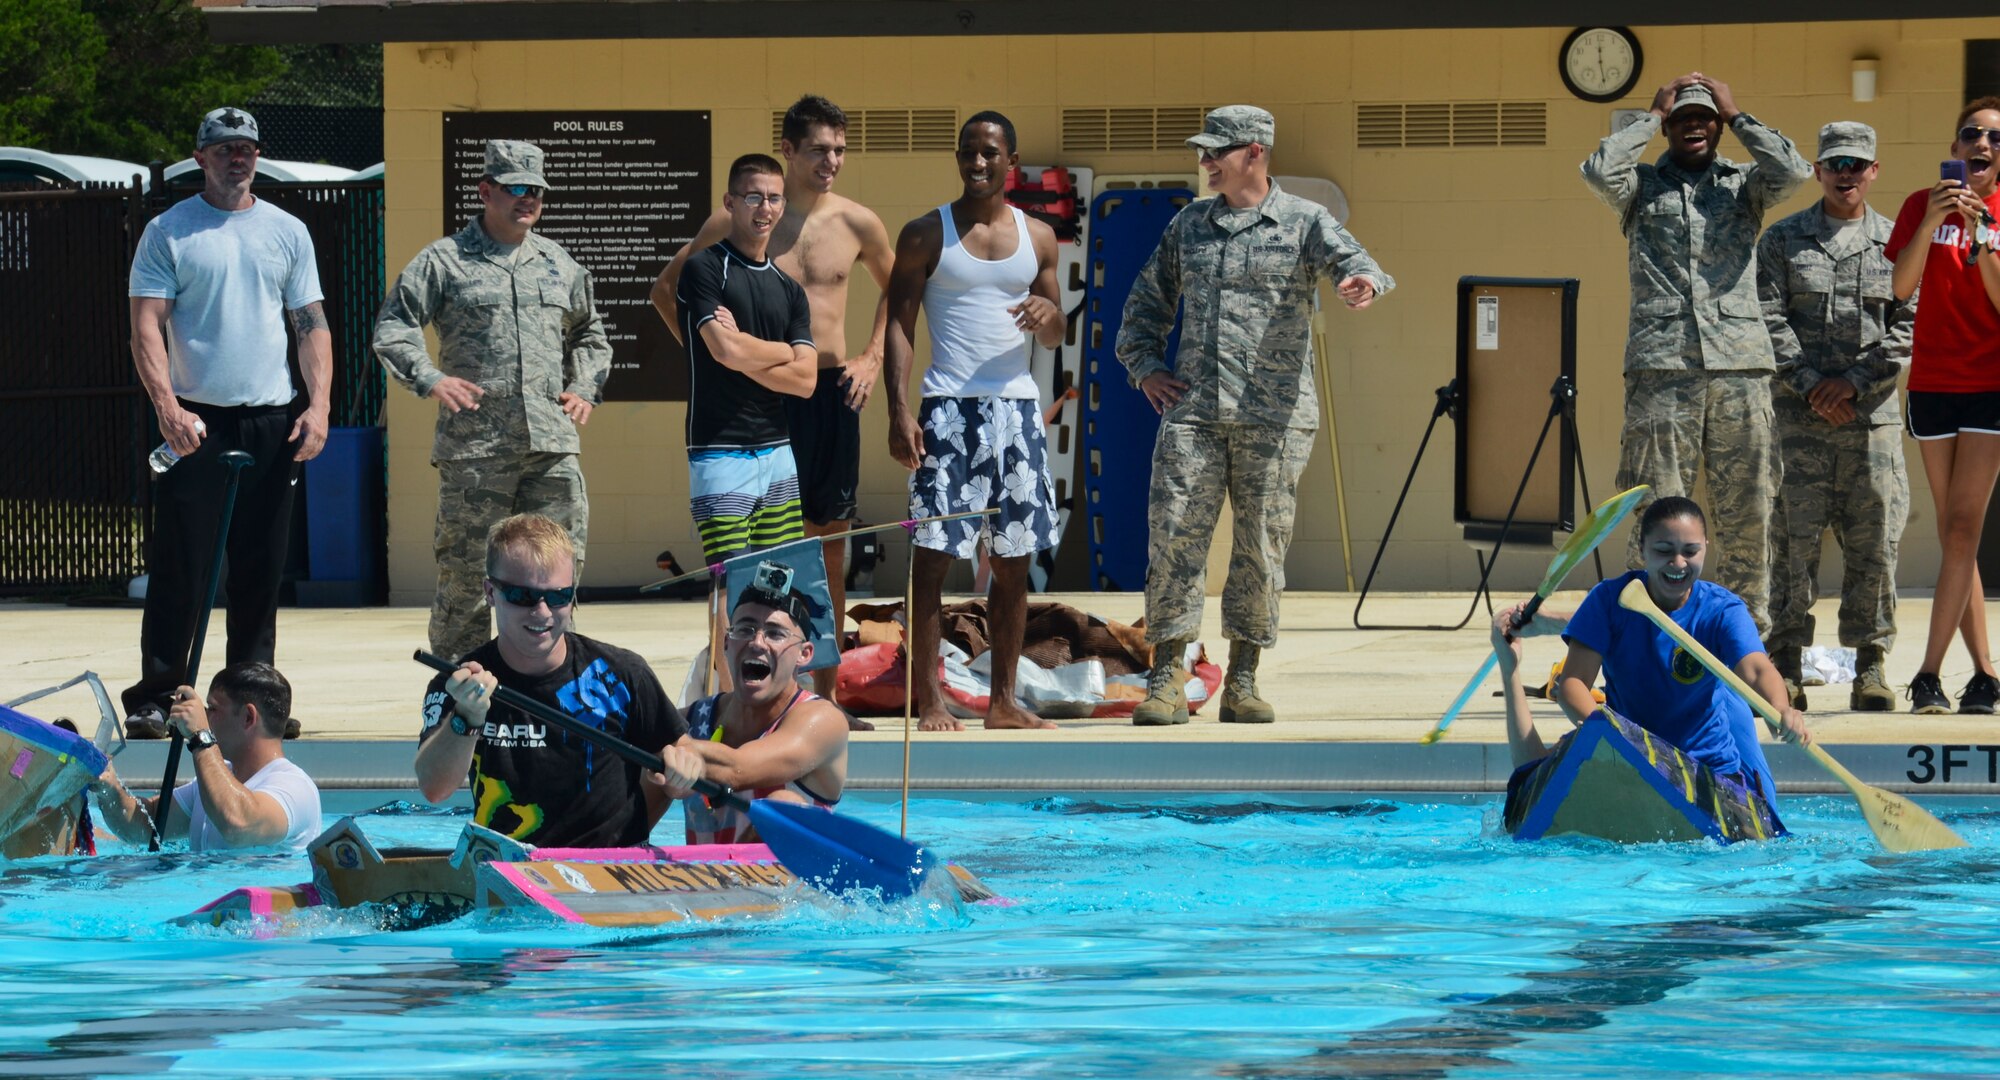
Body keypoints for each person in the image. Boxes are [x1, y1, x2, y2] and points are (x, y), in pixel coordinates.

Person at [1115, 105, 1393, 727]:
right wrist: (1145, 367)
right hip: (1194, 414)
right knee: (1174, 541)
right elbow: (1145, 304)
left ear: (1255, 152)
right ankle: (1167, 678)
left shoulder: (1304, 221)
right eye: (1204, 151)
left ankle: (1242, 679)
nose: (1206, 161)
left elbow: (1361, 264)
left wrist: (1362, 284)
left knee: (1260, 550)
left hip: (1275, 418)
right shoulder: (1189, 225)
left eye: (1217, 151)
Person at [652, 96, 895, 711]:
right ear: (788, 150)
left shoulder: (859, 222)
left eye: (839, 150)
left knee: (826, 550)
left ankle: (826, 697)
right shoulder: (736, 220)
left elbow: (902, 290)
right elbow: (666, 290)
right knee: (748, 565)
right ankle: (739, 695)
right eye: (818, 150)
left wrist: (871, 356)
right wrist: (718, 364)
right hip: (757, 409)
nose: (831, 161)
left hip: (829, 390)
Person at [124, 106, 332, 736]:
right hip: (197, 422)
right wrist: (167, 408)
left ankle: (252, 705)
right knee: (182, 566)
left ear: (257, 157)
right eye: (223, 149)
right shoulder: (169, 231)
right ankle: (157, 698)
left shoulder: (287, 232)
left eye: (246, 148)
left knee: (260, 569)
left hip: (271, 419)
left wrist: (319, 406)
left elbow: (311, 325)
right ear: (200, 159)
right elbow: (146, 325)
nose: (236, 158)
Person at [1581, 73, 1812, 637]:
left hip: (1740, 369)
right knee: (1655, 511)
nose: (1694, 126)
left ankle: (1745, 645)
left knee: (1749, 510)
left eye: (1704, 118)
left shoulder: (1744, 184)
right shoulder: (1639, 186)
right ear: (1668, 126)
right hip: (1663, 371)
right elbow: (1598, 171)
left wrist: (1737, 114)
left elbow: (1794, 172)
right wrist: (1650, 115)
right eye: (1683, 118)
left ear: (1717, 125)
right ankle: (1647, 640)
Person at [374, 140, 611, 666]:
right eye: (516, 188)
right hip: (476, 453)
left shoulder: (558, 263)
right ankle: (457, 691)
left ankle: (551, 686)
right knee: (466, 580)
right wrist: (431, 378)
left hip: (551, 448)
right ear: (485, 191)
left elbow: (591, 333)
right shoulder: (445, 260)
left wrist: (584, 386)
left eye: (537, 191)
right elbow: (394, 326)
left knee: (556, 575)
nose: (529, 199)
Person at [883, 111, 1066, 733]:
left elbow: (1057, 328)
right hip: (948, 411)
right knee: (933, 558)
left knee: (1013, 563)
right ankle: (930, 700)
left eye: (989, 152)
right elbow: (900, 325)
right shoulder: (924, 233)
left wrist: (1047, 313)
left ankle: (1003, 702)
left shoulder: (1039, 237)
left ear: (1011, 159)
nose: (978, 162)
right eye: (968, 152)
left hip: (1016, 413)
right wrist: (899, 409)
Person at [414, 514, 705, 848]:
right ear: (490, 592)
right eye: (522, 595)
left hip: (606, 869)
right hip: (510, 869)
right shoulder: (460, 686)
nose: (542, 612)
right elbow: (434, 789)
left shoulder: (621, 674)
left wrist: (684, 772)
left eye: (557, 597)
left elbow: (682, 750)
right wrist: (467, 718)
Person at [1756, 121, 1914, 712]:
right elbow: (1766, 316)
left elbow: (1909, 324)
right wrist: (1809, 385)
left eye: (1856, 164)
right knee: (1790, 546)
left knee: (1875, 546)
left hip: (1870, 424)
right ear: (1818, 171)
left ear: (1873, 171)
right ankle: (1786, 663)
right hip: (1797, 424)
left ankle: (1870, 665)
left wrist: (1852, 383)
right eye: (1835, 164)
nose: (1845, 174)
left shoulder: (1899, 243)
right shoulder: (1782, 240)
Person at [1549, 497, 1810, 813]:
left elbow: (1756, 669)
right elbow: (1574, 683)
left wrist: (1781, 708)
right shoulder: (1608, 600)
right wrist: (1608, 739)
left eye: (1690, 551)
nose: (1678, 562)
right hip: (1633, 761)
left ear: (1705, 548)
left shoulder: (1722, 609)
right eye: (1663, 551)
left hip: (1710, 770)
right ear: (1642, 549)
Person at [1885, 96, 2000, 715]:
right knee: (1959, 535)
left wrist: (1984, 236)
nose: (1984, 144)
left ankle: (1927, 674)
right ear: (1955, 148)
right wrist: (1932, 220)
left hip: (1990, 383)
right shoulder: (1918, 205)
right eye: (1972, 134)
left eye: (1996, 139)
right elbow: (1902, 286)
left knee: (1961, 527)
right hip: (1932, 383)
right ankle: (1985, 674)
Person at [680, 560, 849, 844]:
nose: (757, 642)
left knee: (784, 806)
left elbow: (736, 770)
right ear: (726, 644)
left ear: (805, 654)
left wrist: (667, 747)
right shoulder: (694, 719)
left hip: (784, 874)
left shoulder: (823, 720)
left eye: (775, 633)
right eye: (745, 629)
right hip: (700, 874)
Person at [93, 662, 323, 851]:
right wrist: (109, 787)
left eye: (212, 709)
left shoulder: (294, 788)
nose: (205, 717)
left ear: (248, 717)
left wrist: (201, 736)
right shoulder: (215, 781)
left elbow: (239, 825)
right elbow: (146, 826)